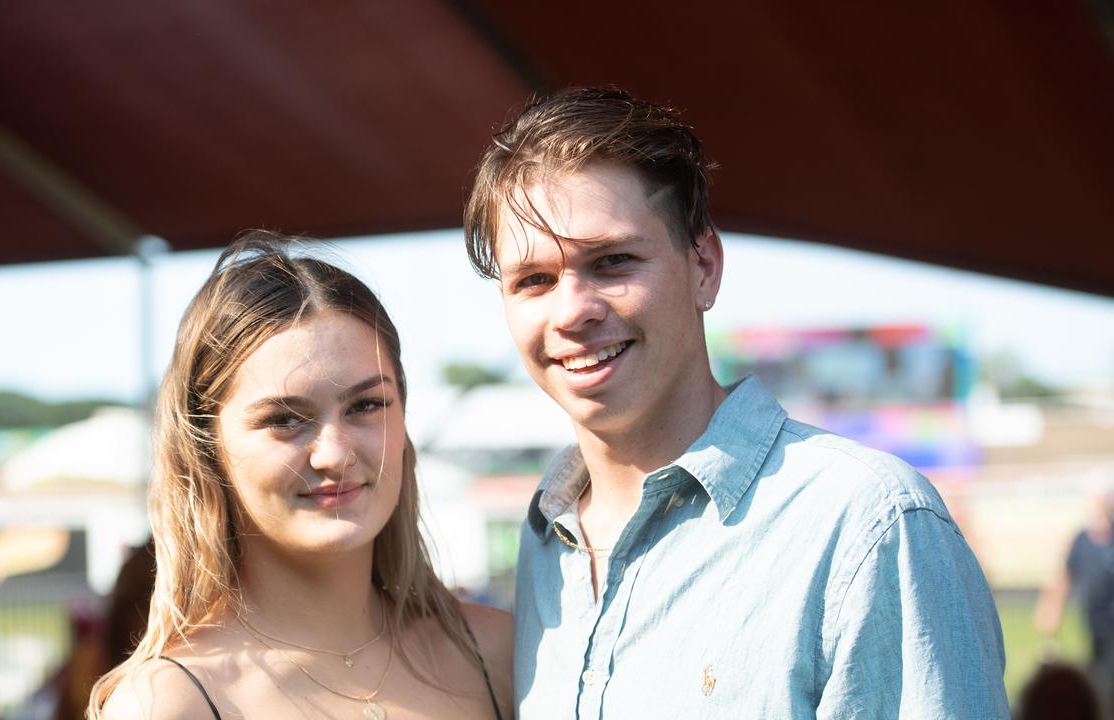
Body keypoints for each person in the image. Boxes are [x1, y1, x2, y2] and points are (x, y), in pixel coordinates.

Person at [463, 86, 1008, 717]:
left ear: (704, 266)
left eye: (613, 262)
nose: (573, 311)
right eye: (534, 280)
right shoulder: (547, 543)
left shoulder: (866, 525)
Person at [90, 233, 512, 719]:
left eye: (366, 405)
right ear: (207, 448)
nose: (334, 455)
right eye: (284, 419)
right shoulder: (168, 703)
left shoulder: (498, 654)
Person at [1035, 488, 1114, 705]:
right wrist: (1051, 610)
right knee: (1098, 674)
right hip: (1093, 621)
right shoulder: (1081, 541)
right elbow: (1064, 577)